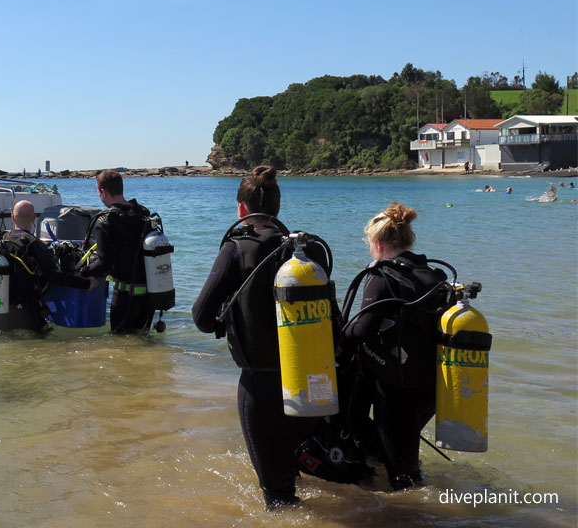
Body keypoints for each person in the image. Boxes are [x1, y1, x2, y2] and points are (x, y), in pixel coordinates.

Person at [191, 166, 329, 510]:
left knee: (279, 500)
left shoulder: (237, 249)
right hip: (315, 380)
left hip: (263, 386)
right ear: (278, 207)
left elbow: (201, 318)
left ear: (242, 209)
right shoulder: (308, 250)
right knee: (297, 473)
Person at [339, 201, 449, 490]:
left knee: (403, 477)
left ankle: (411, 515)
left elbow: (362, 329)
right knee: (400, 452)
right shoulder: (432, 274)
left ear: (377, 242)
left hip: (398, 389)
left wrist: (336, 337)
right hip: (435, 385)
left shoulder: (381, 275)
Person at [0, 200, 97, 331]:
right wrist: (86, 284)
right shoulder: (33, 244)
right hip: (26, 309)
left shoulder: (1, 241)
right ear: (34, 218)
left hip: (2, 307)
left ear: (12, 218)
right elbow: (54, 276)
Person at [80, 169, 156, 332]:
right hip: (150, 296)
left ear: (102, 192)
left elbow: (103, 263)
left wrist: (82, 273)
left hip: (125, 296)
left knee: (121, 344)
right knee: (143, 340)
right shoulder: (144, 213)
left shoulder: (105, 220)